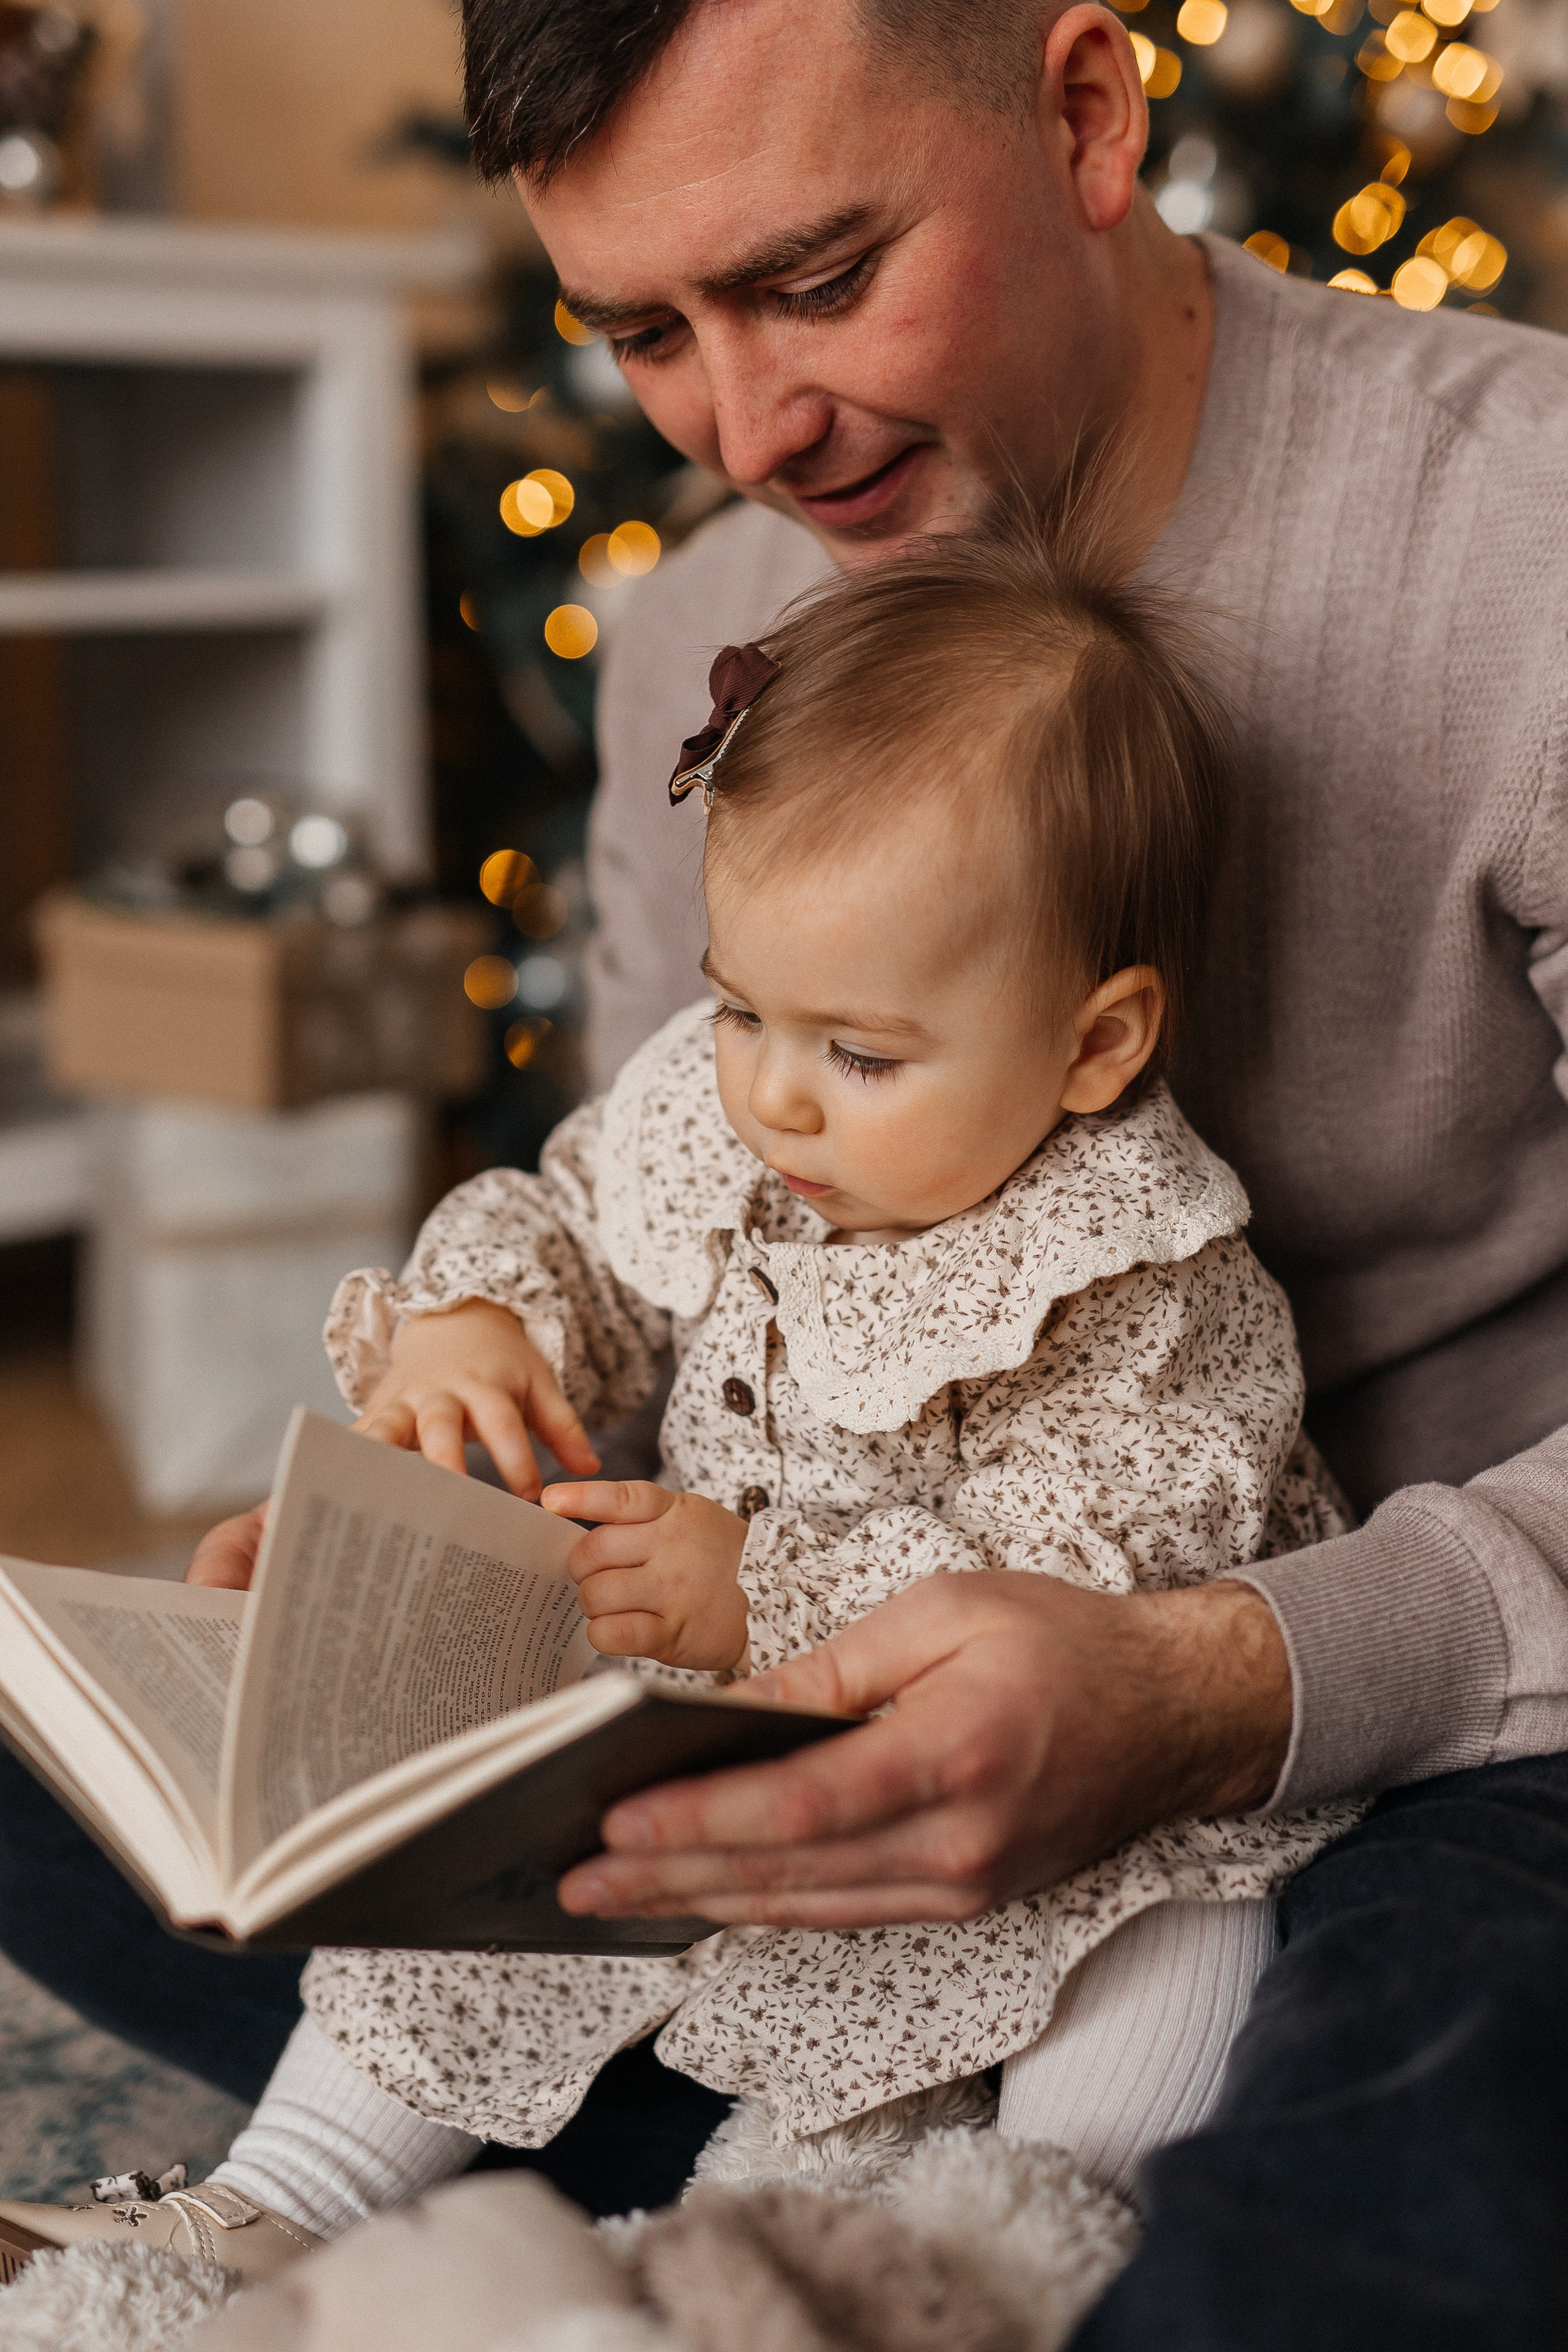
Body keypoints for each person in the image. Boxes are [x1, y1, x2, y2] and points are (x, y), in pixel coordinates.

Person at [2, 0, 1567, 2329]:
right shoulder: (703, 643)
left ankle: (936, 2207)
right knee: (92, 1781)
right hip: (807, 1692)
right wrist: (427, 1542)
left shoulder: (1528, 547)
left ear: (1087, 113)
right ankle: (755, 2177)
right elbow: (675, 1282)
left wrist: (1221, 1683)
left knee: (1399, 2078)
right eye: (642, 332)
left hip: (1429, 1716)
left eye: (818, 281)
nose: (747, 432)